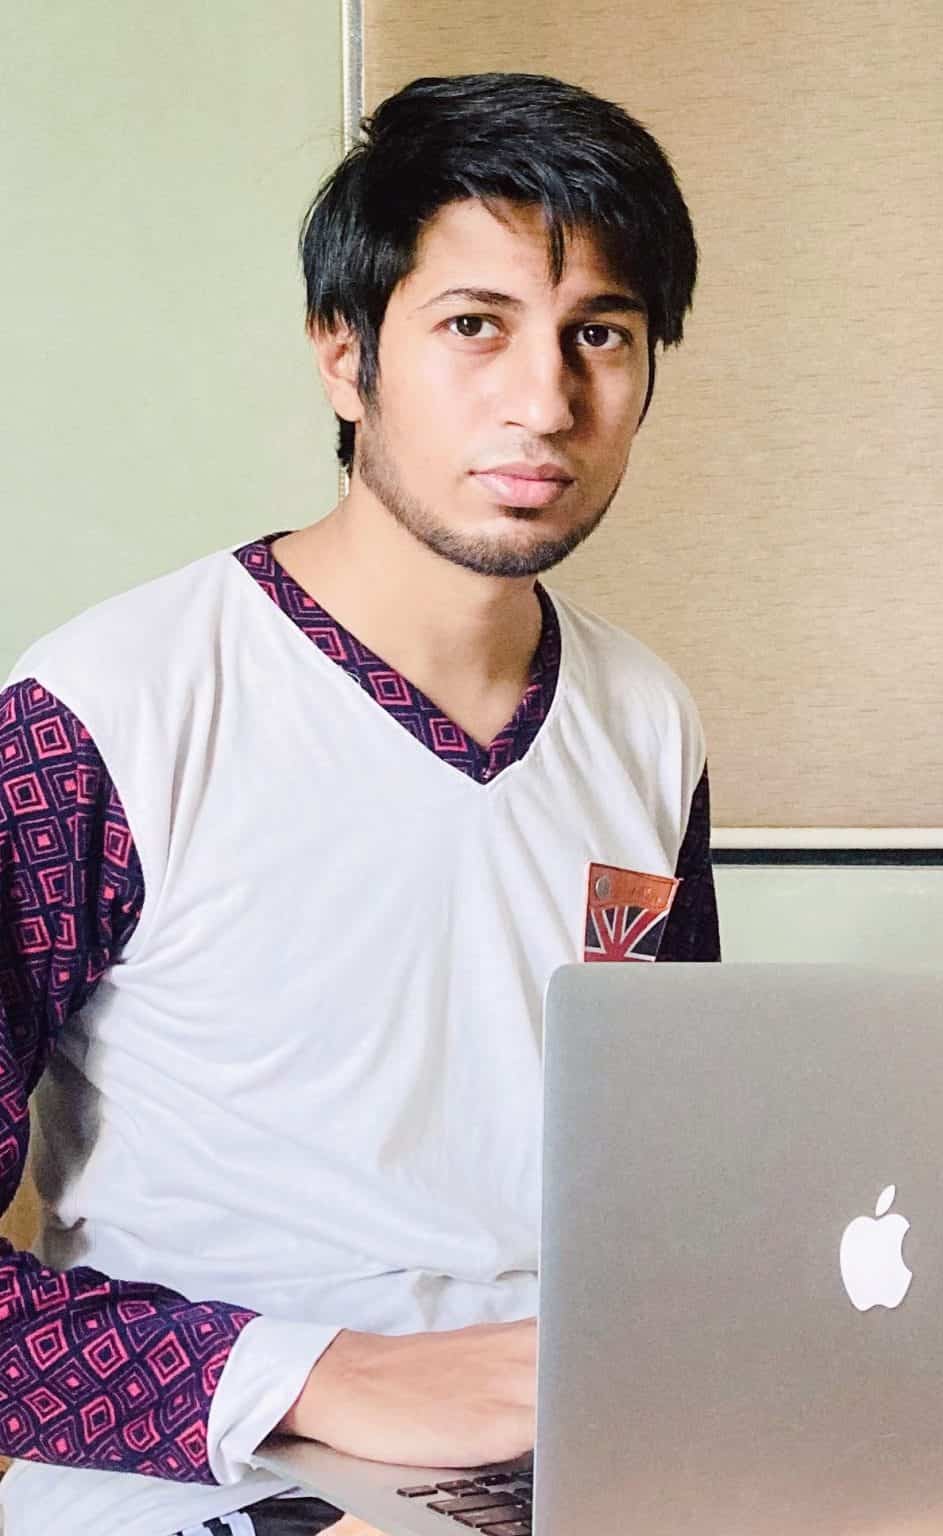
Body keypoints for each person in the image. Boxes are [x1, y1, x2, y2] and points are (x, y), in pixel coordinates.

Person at [0, 72, 715, 1536]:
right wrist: (327, 1373)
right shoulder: (104, 712)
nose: (546, 402)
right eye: (475, 326)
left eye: (601, 334)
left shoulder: (649, 720)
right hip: (224, 1462)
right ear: (345, 354)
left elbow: (680, 1167)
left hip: (580, 1433)